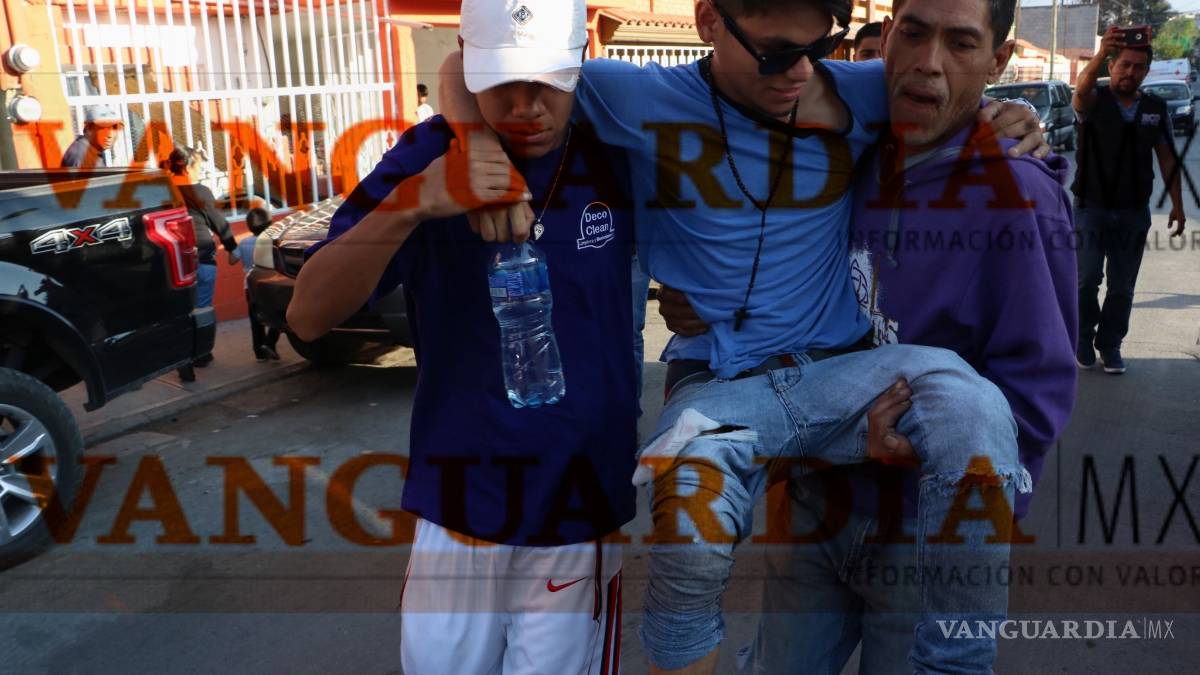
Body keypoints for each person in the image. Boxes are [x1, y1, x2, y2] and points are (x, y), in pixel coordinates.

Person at [439, 1, 1049, 672]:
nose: (800, 71)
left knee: (972, 405)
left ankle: (957, 664)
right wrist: (475, 145)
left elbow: (953, 87)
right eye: (775, 53)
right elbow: (463, 66)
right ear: (708, 22)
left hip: (839, 378)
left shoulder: (860, 89)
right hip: (719, 381)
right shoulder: (633, 94)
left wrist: (1014, 114)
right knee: (689, 521)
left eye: (819, 48)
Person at [660, 0, 1078, 670]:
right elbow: (770, 253)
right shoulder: (844, 145)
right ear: (885, 38)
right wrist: (705, 294)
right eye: (912, 32)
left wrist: (931, 461)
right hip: (816, 504)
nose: (928, 62)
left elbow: (1036, 390)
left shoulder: (1016, 194)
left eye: (961, 43)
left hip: (919, 534)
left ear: (998, 60)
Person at [288, 1, 637, 672]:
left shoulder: (618, 144)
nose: (526, 105)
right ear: (470, 60)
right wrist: (413, 203)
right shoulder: (427, 154)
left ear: (581, 56)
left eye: (546, 80)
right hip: (457, 501)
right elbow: (307, 315)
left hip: (579, 503)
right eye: (501, 79)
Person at [1072, 26, 1188, 374]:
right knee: (1086, 279)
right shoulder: (1094, 100)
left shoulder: (1155, 108)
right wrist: (1099, 54)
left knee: (1121, 287)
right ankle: (1082, 337)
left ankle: (1110, 345)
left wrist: (1178, 205)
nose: (1130, 72)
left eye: (1138, 67)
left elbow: (1167, 158)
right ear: (1112, 66)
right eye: (1124, 64)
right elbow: (1080, 91)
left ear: (1146, 72)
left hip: (1132, 212)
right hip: (1090, 208)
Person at [162, 146, 240, 381]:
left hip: (172, 261)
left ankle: (182, 358)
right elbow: (219, 222)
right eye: (199, 167)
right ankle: (201, 354)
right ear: (187, 167)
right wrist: (232, 248)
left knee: (180, 311)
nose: (201, 172)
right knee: (202, 307)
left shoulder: (160, 191)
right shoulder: (201, 192)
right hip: (202, 256)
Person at [238, 206, 281, 362]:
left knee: (255, 319)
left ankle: (260, 354)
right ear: (269, 223)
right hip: (270, 284)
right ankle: (270, 343)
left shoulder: (243, 243)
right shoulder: (272, 241)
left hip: (250, 286)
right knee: (279, 314)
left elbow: (232, 260)